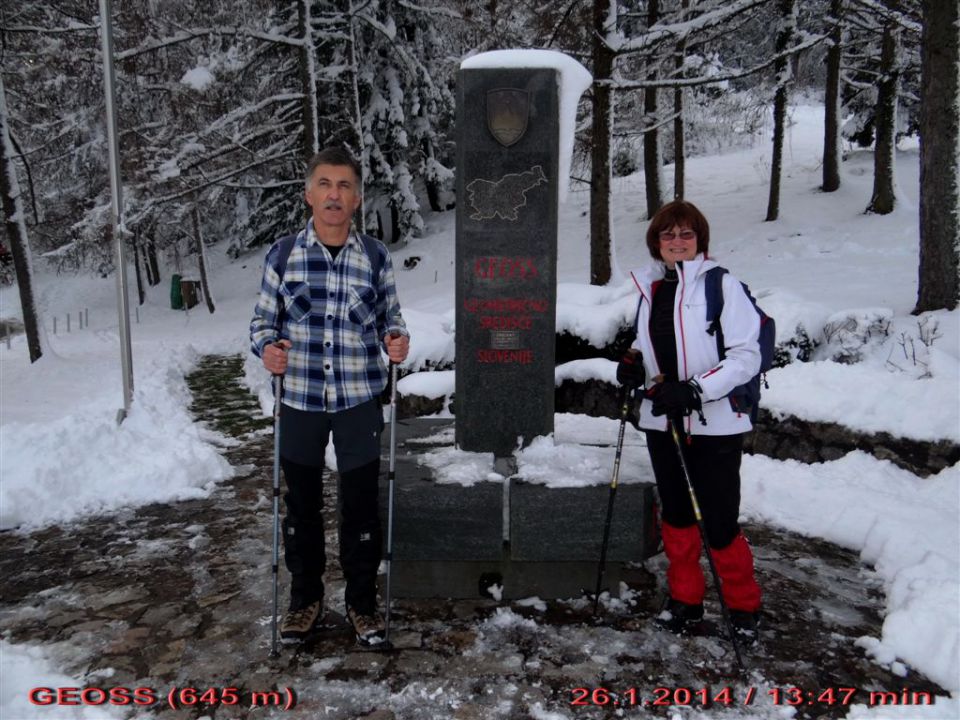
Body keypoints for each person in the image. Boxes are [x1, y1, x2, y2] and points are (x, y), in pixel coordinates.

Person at [249, 146, 410, 647]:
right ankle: (305, 601)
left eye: (343, 186)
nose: (333, 195)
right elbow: (261, 323)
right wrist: (266, 349)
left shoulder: (376, 257)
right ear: (308, 193)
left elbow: (393, 319)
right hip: (299, 399)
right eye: (325, 184)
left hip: (359, 397)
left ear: (357, 198)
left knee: (360, 505)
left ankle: (362, 603)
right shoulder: (283, 254)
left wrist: (397, 340)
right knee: (300, 506)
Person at [617, 199, 763, 642]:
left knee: (718, 519)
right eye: (668, 234)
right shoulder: (651, 289)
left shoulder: (722, 286)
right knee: (677, 514)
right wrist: (632, 364)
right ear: (656, 242)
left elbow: (746, 356)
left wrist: (696, 389)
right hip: (664, 420)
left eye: (686, 234)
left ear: (700, 239)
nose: (677, 241)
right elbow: (653, 347)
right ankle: (685, 600)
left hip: (715, 424)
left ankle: (742, 608)